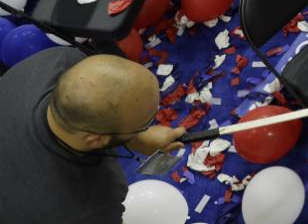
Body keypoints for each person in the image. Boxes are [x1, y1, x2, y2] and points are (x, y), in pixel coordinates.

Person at [0, 47, 186, 223]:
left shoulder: (60, 59)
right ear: (95, 139)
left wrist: (136, 138)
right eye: (144, 125)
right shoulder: (88, 205)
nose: (150, 128)